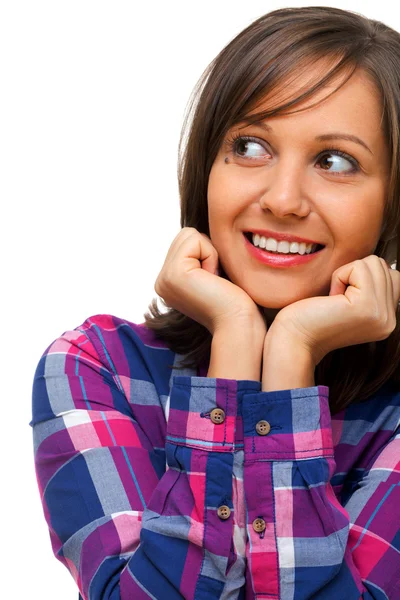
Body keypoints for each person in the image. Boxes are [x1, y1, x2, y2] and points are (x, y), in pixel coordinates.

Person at [31, 6, 400, 599]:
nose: (282, 199)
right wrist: (235, 339)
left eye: (335, 161)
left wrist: (289, 364)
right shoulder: (95, 368)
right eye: (251, 146)